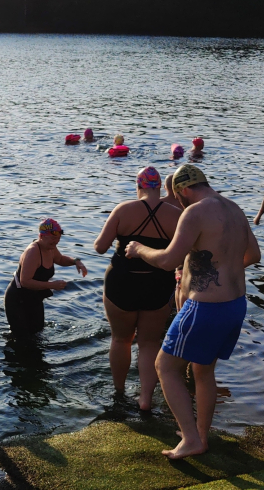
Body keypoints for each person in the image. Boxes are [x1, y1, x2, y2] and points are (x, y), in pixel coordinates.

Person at [125, 164, 260, 459]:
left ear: (184, 190)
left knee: (165, 367)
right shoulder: (233, 208)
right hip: (235, 305)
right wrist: (221, 270)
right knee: (203, 370)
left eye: (178, 196)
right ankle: (199, 434)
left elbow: (167, 259)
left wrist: (138, 249)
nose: (179, 202)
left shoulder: (195, 212)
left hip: (206, 307)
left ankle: (190, 439)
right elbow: (254, 255)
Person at [93, 167, 182, 409]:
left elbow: (100, 247)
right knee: (150, 343)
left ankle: (119, 393)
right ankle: (145, 400)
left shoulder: (123, 209)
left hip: (121, 283)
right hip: (157, 284)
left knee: (121, 339)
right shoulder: (176, 215)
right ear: (160, 187)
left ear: (139, 186)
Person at [5, 218, 88, 338]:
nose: (56, 242)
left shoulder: (50, 247)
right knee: (22, 339)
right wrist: (52, 285)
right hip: (18, 299)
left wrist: (76, 261)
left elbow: (60, 259)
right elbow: (25, 281)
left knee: (38, 334)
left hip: (35, 298)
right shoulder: (33, 252)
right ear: (41, 236)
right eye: (53, 239)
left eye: (58, 239)